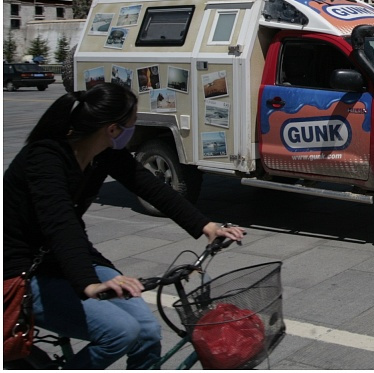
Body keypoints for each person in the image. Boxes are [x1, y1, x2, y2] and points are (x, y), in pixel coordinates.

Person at [3, 83, 245, 369]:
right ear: (113, 129)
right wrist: (89, 284)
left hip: (66, 258)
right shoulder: (44, 158)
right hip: (21, 269)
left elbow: (151, 187)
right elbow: (60, 222)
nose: (134, 129)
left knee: (146, 332)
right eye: (132, 124)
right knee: (120, 332)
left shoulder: (102, 153)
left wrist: (207, 226)